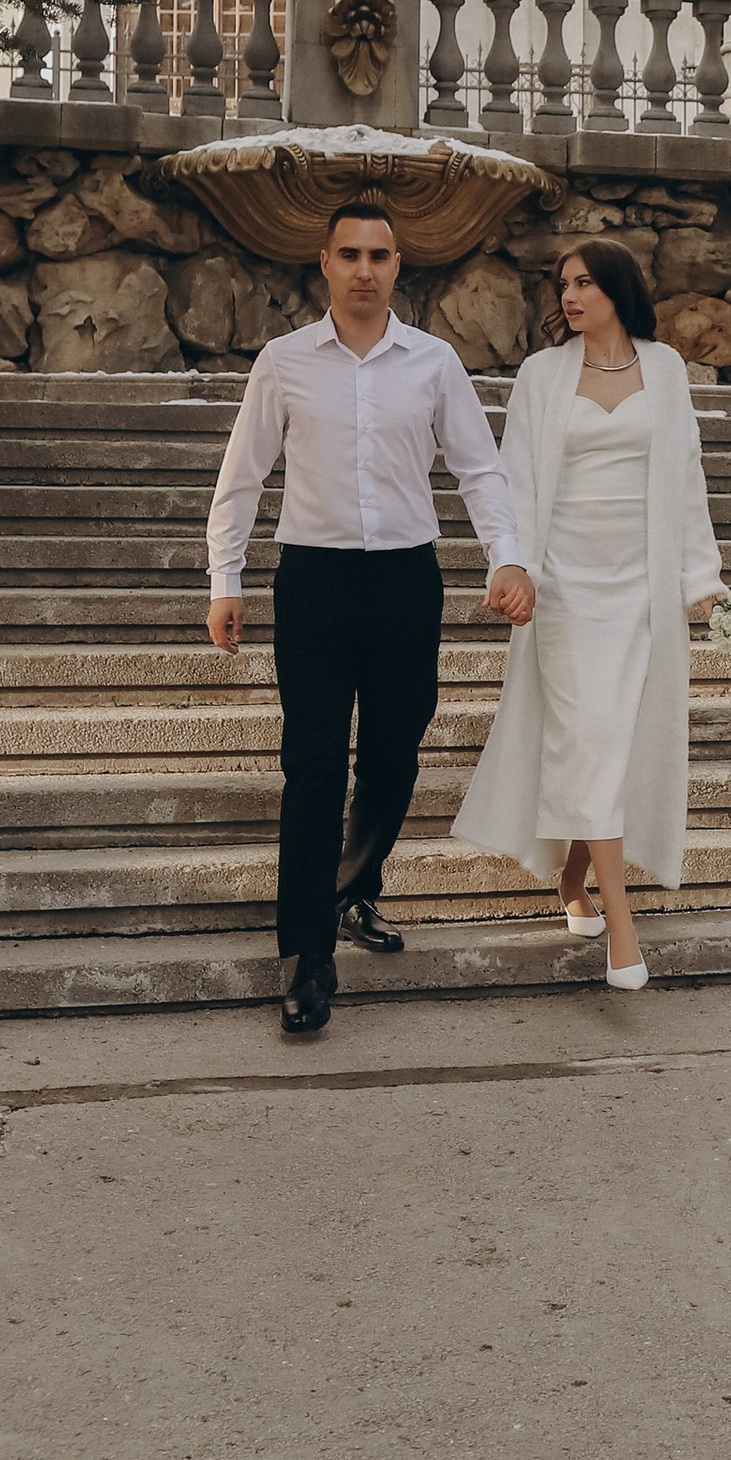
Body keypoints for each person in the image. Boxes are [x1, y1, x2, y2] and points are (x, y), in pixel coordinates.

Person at [206, 199, 534, 1042]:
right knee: (313, 768)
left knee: (393, 757)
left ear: (397, 266)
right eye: (348, 254)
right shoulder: (283, 362)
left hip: (403, 582)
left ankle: (353, 887)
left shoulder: (434, 362)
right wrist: (225, 579)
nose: (363, 269)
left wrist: (506, 556)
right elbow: (242, 476)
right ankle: (304, 957)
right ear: (324, 263)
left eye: (378, 256)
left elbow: (480, 469)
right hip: (312, 583)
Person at [451, 238, 723, 986]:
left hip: (641, 586)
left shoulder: (664, 369)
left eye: (583, 284)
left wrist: (703, 580)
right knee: (591, 739)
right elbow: (516, 479)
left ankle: (573, 879)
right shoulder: (543, 375)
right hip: (566, 589)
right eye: (563, 284)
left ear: (616, 290)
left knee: (611, 745)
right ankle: (623, 931)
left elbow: (687, 478)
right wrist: (515, 566)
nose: (568, 297)